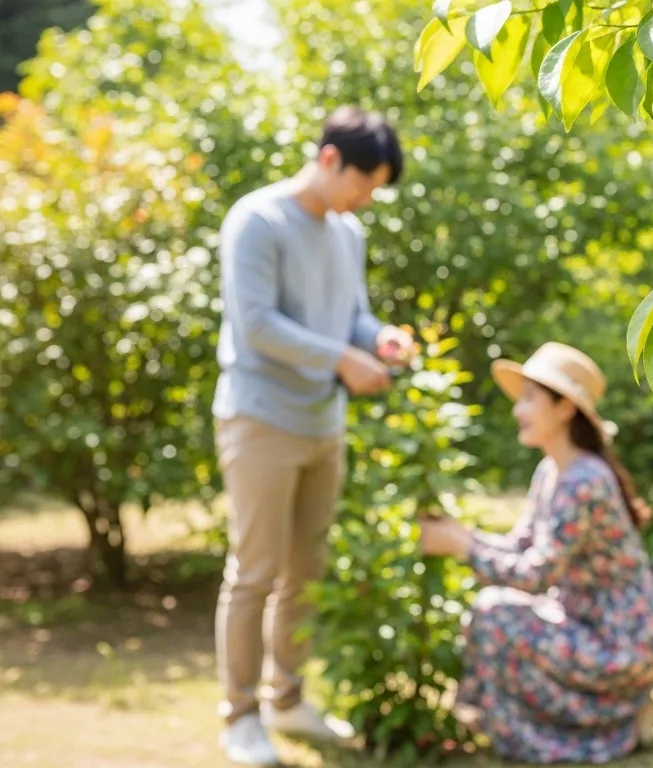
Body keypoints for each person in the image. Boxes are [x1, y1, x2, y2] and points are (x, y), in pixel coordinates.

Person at [211, 106, 417, 766]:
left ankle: (287, 698)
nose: (368, 198)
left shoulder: (348, 232)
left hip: (323, 424)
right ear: (329, 159)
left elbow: (350, 317)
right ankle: (240, 717)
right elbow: (258, 326)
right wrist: (339, 359)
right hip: (260, 417)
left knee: (307, 572)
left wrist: (377, 338)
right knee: (255, 574)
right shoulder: (257, 220)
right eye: (365, 182)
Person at [420, 342, 653, 764]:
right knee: (494, 610)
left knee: (496, 612)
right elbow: (521, 545)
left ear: (565, 408)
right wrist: (462, 534)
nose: (519, 410)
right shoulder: (553, 470)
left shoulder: (583, 481)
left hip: (622, 645)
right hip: (585, 626)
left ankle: (562, 732)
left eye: (530, 399)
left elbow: (536, 574)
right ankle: (607, 720)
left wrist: (462, 546)